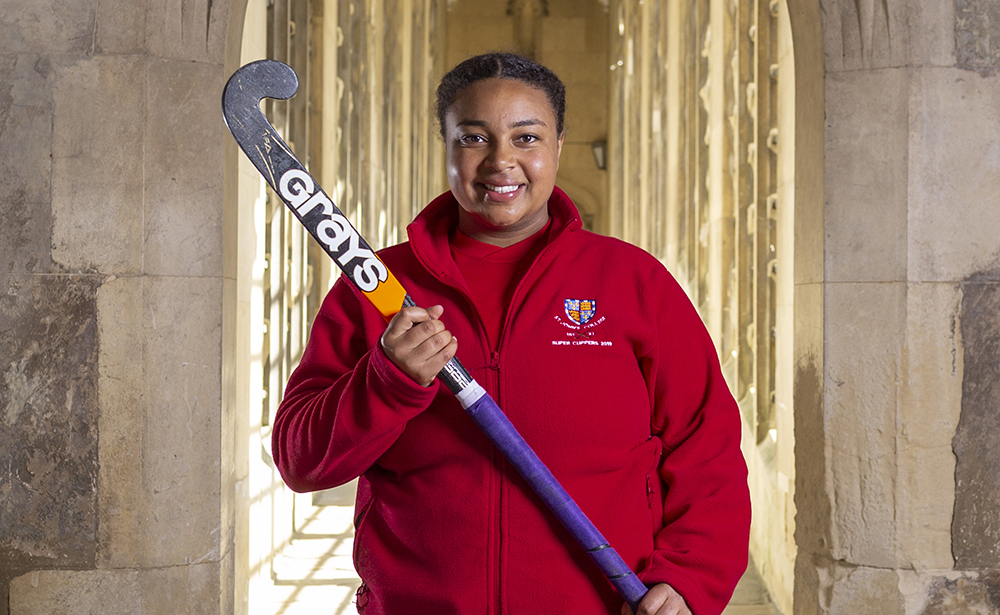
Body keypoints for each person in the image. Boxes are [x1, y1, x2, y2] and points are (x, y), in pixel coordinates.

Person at [272, 52, 750, 615]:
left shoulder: (633, 282)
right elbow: (301, 460)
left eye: (527, 138)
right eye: (473, 138)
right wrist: (387, 382)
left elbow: (706, 448)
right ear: (446, 147)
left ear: (558, 146)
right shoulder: (376, 287)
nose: (502, 161)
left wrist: (690, 577)